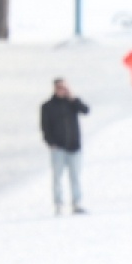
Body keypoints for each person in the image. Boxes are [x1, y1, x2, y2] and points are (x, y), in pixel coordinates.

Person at [41, 78, 89, 216]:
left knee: (75, 176)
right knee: (57, 177)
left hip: (74, 146)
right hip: (58, 147)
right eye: (59, 87)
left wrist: (73, 99)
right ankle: (59, 204)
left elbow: (86, 110)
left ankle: (76, 203)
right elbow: (45, 126)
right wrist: (50, 142)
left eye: (64, 87)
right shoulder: (48, 106)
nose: (62, 90)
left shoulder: (72, 103)